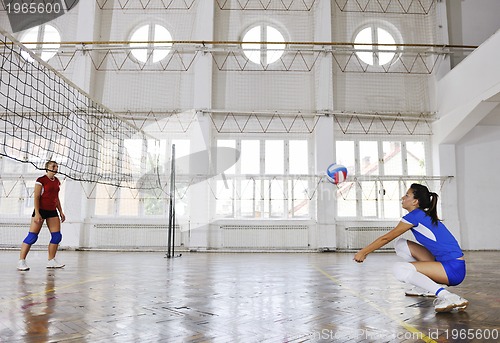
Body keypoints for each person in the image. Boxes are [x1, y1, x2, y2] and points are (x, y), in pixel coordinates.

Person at [353, 183, 468, 313]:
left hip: (452, 270)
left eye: (407, 195)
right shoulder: (420, 215)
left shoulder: (414, 216)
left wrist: (364, 252)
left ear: (415, 201)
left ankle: (448, 297)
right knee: (401, 244)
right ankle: (423, 287)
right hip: (447, 264)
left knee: (399, 268)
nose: (403, 197)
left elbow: (386, 238)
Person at [17, 161, 66, 271]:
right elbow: (36, 197)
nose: (56, 168)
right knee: (32, 237)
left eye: (57, 166)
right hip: (41, 210)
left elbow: (56, 198)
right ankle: (21, 261)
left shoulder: (57, 181)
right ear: (47, 168)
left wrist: (61, 212)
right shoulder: (41, 180)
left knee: (57, 236)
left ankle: (51, 260)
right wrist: (38, 214)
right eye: (53, 166)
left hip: (52, 211)